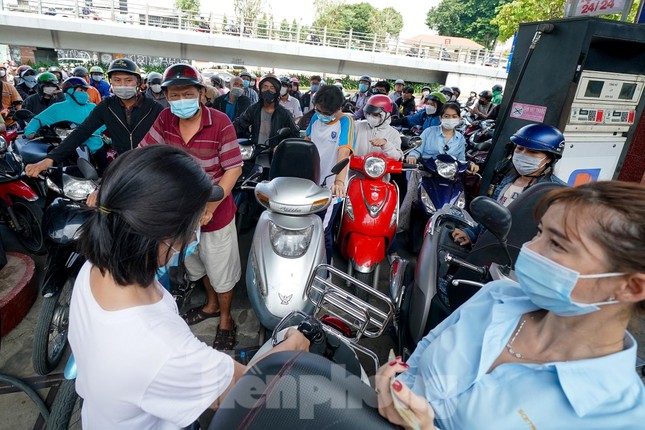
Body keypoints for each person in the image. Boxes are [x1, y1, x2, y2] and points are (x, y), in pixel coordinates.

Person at [69, 144, 310, 429]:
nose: (203, 222)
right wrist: (292, 346)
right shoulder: (158, 347)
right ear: (165, 234)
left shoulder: (96, 269)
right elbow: (244, 390)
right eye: (198, 218)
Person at [377, 180, 645, 429]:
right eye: (539, 233)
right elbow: (423, 351)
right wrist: (397, 392)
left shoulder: (622, 416)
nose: (529, 248)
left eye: (556, 244)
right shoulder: (496, 296)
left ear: (631, 286)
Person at [139, 64, 244, 350]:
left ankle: (225, 318)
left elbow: (233, 169)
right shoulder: (165, 119)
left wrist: (210, 205)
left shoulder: (221, 122)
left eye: (187, 93)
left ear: (200, 93)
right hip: (180, 215)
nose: (180, 100)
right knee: (197, 267)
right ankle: (210, 305)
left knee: (221, 272)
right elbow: (143, 153)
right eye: (174, 94)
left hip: (216, 212)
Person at [25, 58, 164, 178]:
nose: (122, 85)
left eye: (128, 80)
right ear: (111, 82)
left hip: (151, 167)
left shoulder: (155, 108)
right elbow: (81, 132)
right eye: (117, 80)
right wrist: (49, 160)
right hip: (122, 166)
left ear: (138, 82)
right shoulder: (106, 107)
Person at [452, 124, 567, 246]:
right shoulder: (507, 181)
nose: (523, 154)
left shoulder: (556, 193)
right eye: (519, 148)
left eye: (533, 152)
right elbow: (493, 220)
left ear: (549, 158)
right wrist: (471, 233)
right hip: (486, 249)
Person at [305, 84, 354, 265]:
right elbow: (307, 143)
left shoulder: (346, 122)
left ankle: (325, 271)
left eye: (327, 113)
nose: (322, 115)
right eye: (318, 110)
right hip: (310, 184)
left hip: (331, 188)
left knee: (322, 231)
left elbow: (344, 152)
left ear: (339, 108)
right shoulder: (315, 119)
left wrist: (339, 182)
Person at [23, 77, 106, 155]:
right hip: (69, 149)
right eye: (81, 90)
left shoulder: (93, 106)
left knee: (107, 168)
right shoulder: (57, 107)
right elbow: (38, 120)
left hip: (96, 147)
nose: (84, 93)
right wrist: (30, 131)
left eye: (85, 91)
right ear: (70, 91)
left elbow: (106, 122)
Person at [234, 74, 299, 147]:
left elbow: (294, 135)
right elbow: (238, 126)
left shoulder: (284, 113)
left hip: (275, 153)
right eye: (265, 87)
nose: (268, 90)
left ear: (277, 91)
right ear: (260, 90)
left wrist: (281, 147)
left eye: (272, 88)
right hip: (255, 152)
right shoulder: (253, 109)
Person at [353, 94, 402, 160]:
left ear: (386, 115)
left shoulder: (393, 133)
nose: (370, 117)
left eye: (375, 115)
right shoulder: (358, 127)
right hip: (355, 168)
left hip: (380, 169)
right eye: (368, 113)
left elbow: (397, 157)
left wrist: (386, 144)